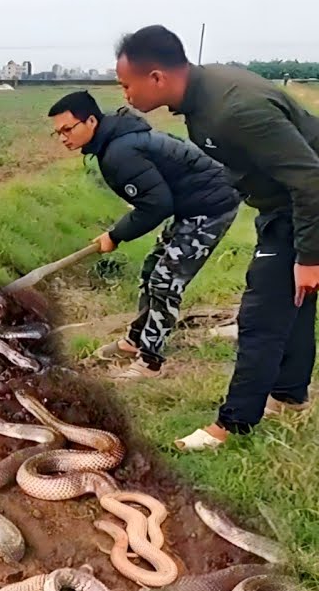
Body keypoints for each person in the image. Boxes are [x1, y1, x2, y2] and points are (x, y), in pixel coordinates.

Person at [113, 24, 319, 450]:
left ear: (156, 77)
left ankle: (232, 425)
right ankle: (289, 397)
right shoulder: (203, 98)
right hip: (284, 205)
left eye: (126, 85)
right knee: (295, 301)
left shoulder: (234, 109)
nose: (125, 97)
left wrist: (310, 255)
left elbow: (310, 179)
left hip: (304, 203)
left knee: (260, 316)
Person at [48, 90, 240, 380]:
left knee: (165, 280)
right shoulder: (114, 143)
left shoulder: (119, 152)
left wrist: (116, 235)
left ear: (90, 121)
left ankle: (151, 362)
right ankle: (134, 340)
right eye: (58, 133)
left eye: (67, 129)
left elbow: (156, 205)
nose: (63, 138)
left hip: (211, 205)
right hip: (190, 206)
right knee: (152, 268)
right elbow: (156, 199)